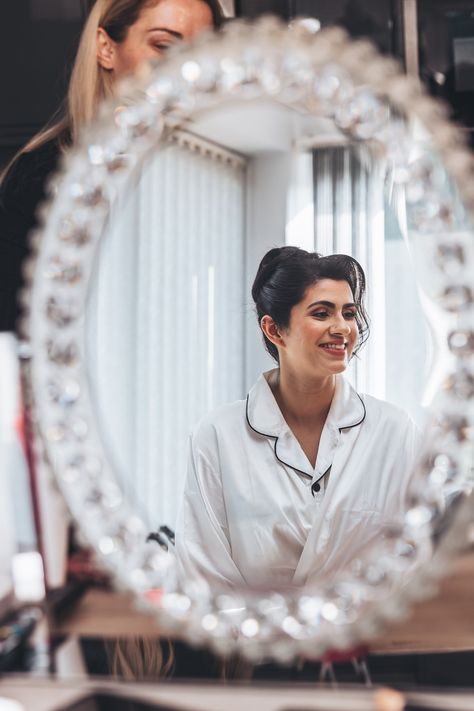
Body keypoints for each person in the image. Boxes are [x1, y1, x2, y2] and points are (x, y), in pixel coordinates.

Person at [175, 246, 420, 591]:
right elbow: (204, 574)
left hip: (371, 640)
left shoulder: (393, 431)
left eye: (348, 313)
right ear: (274, 330)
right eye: (322, 313)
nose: (342, 328)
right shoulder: (217, 436)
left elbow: (412, 559)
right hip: (255, 641)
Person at [0, 0, 222, 332]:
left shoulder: (221, 171)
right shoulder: (42, 177)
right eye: (163, 45)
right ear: (106, 48)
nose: (184, 70)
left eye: (198, 54)